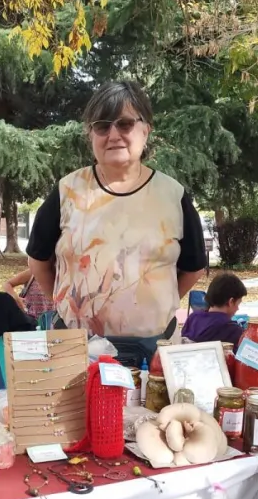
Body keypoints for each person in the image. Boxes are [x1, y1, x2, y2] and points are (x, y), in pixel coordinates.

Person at [26, 80, 207, 362]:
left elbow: (193, 268)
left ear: (145, 130)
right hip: (77, 349)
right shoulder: (67, 192)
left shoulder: (172, 195)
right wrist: (70, 308)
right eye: (102, 126)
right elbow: (38, 261)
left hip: (153, 352)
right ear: (91, 135)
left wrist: (150, 308)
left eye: (124, 124)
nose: (113, 135)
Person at [181, 273, 247, 346]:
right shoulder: (233, 330)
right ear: (231, 302)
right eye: (238, 304)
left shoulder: (193, 317)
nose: (237, 309)